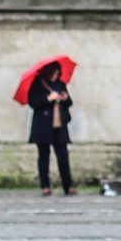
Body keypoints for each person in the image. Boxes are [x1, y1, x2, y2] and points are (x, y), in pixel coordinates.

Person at [27, 60, 74, 196]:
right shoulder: (38, 84)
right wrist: (48, 98)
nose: (55, 75)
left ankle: (68, 186)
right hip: (43, 126)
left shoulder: (60, 84)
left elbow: (70, 102)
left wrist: (65, 98)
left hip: (59, 125)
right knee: (43, 156)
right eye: (53, 73)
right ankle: (45, 186)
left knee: (63, 155)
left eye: (57, 73)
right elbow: (33, 102)